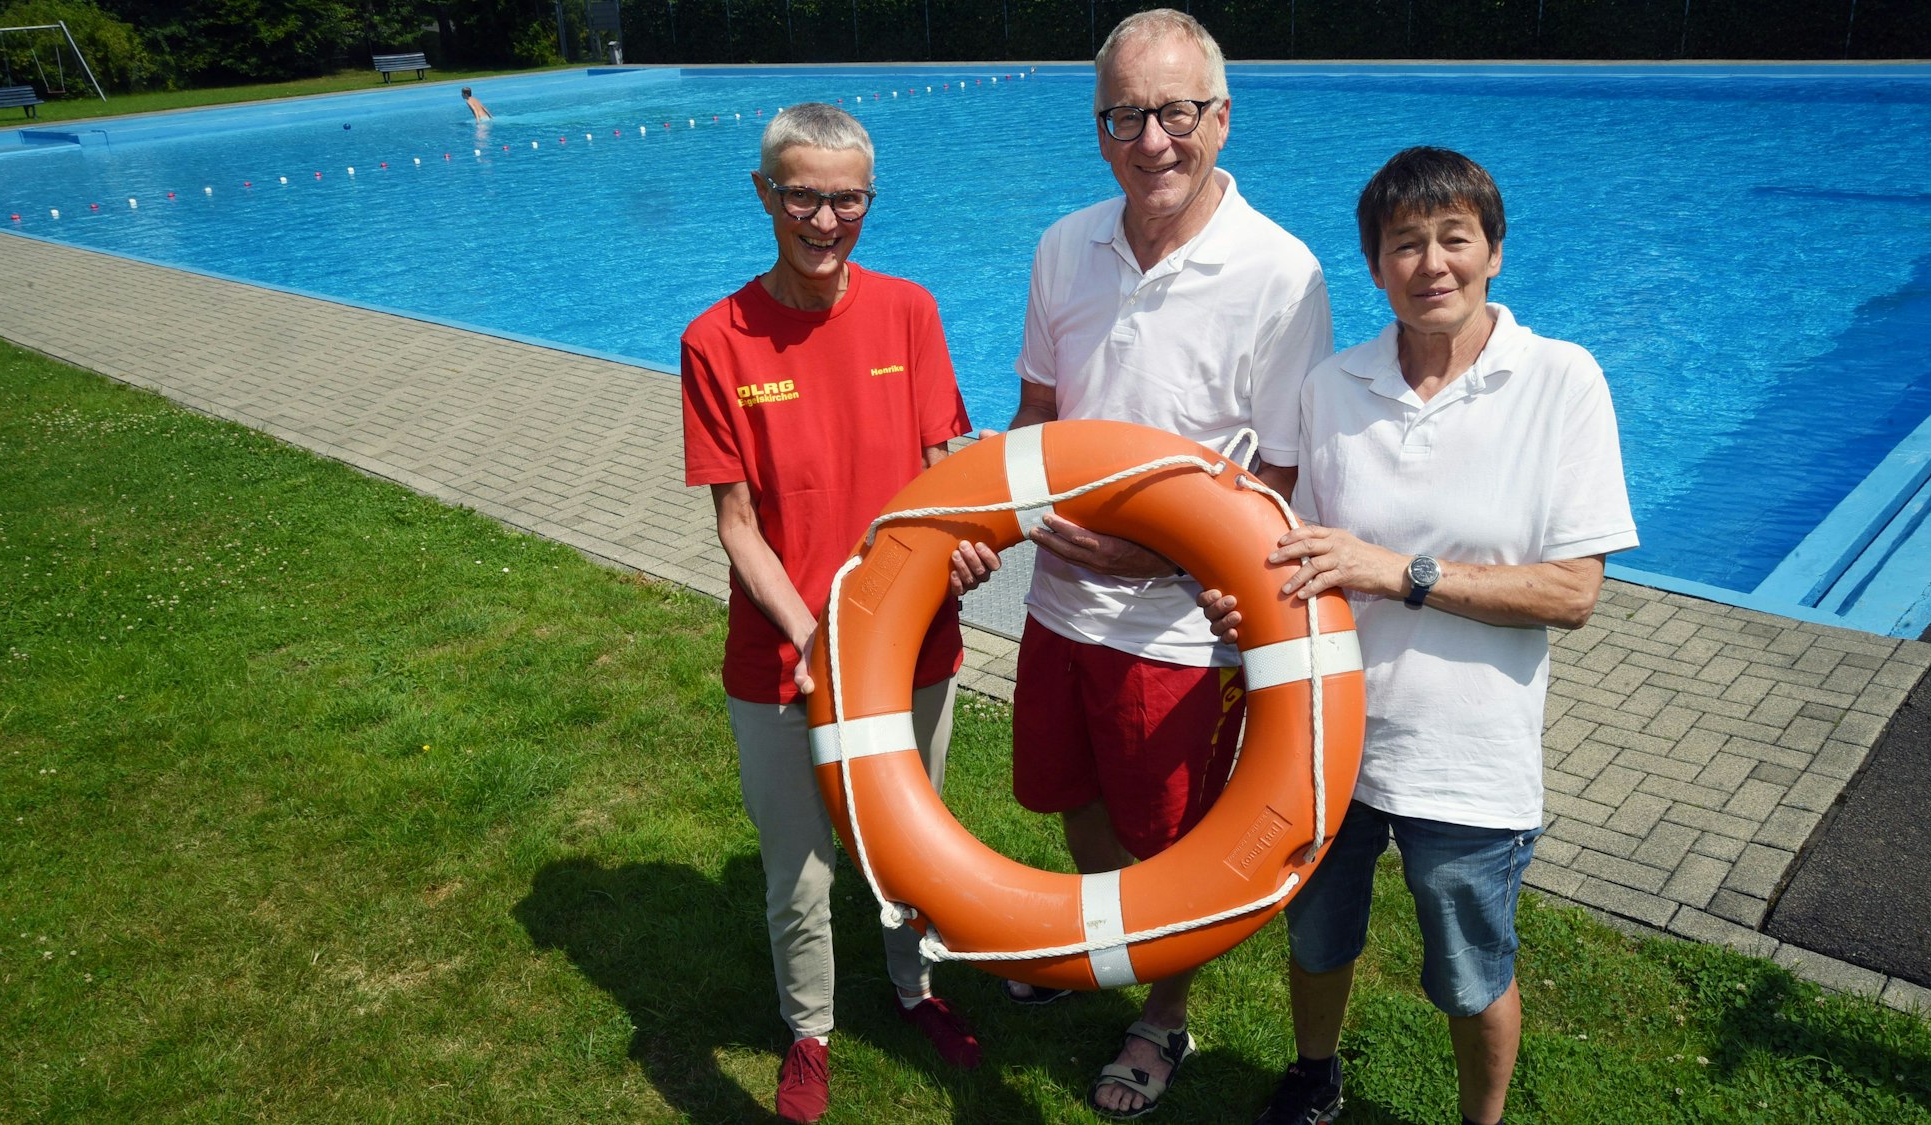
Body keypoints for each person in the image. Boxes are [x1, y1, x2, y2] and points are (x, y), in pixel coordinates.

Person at [1198, 146, 1640, 1125]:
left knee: (1469, 975)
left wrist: (1398, 573)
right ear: (1375, 265)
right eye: (1404, 244)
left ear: (1493, 253)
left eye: (1453, 238)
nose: (1429, 263)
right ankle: (1313, 1073)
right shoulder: (1330, 389)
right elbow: (1297, 557)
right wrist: (1246, 606)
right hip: (1328, 741)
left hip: (1469, 759)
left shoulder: (1558, 381)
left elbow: (1570, 591)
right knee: (1314, 937)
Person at [948, 9, 1333, 1118]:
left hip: (1177, 633)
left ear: (1219, 118)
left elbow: (1283, 488)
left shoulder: (1278, 273)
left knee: (1173, 840)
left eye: (1174, 113)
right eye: (1125, 116)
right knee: (1068, 798)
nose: (1150, 140)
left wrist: (1148, 556)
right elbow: (1030, 415)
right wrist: (987, 524)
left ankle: (1162, 1014)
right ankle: (1094, 939)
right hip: (1058, 604)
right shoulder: (1063, 245)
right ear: (1098, 127)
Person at [678, 102, 985, 1124]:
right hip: (783, 660)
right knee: (798, 869)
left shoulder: (909, 312)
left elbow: (945, 471)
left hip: (911, 646)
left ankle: (915, 991)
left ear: (868, 200)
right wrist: (817, 638)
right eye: (801, 195)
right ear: (763, 194)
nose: (823, 219)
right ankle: (809, 1030)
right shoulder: (714, 340)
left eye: (844, 198)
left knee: (910, 842)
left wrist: (967, 543)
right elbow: (738, 528)